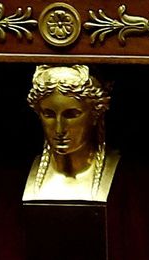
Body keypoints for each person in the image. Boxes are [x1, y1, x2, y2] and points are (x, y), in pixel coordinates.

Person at [24, 65, 115, 202]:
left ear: (96, 114)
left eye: (71, 115)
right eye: (49, 114)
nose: (59, 129)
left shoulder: (121, 174)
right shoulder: (22, 175)